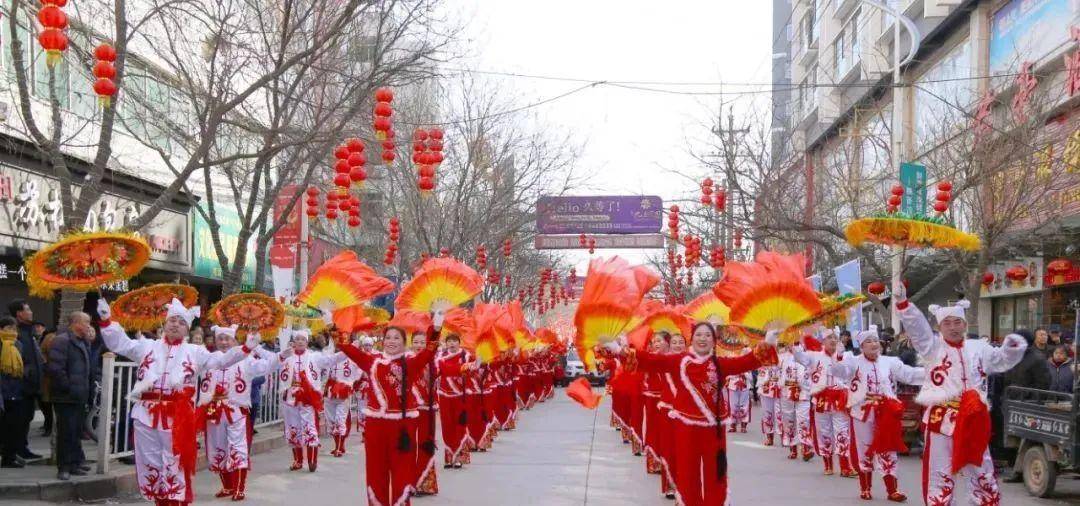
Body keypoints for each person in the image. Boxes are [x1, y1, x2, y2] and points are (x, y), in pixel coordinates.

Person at [96, 298, 259, 505]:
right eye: (172, 320)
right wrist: (106, 320)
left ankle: (175, 501)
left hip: (178, 418)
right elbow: (120, 344)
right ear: (165, 323)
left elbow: (221, 360)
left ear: (187, 330)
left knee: (174, 462)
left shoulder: (196, 352)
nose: (175, 324)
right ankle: (160, 501)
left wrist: (245, 349)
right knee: (150, 463)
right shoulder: (147, 346)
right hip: (145, 414)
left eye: (181, 323)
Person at [895, 286, 1027, 506]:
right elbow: (918, 329)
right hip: (942, 420)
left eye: (957, 323)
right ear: (939, 327)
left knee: (981, 468)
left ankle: (984, 501)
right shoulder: (932, 347)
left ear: (965, 325)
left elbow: (1001, 360)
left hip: (973, 419)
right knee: (940, 473)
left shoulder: (979, 348)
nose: (953, 328)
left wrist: (1012, 347)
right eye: (947, 323)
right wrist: (904, 305)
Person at [632, 322, 779, 506]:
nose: (703, 339)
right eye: (699, 335)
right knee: (687, 471)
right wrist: (617, 349)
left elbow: (746, 362)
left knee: (716, 472)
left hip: (714, 429)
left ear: (714, 341)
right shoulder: (678, 361)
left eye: (708, 335)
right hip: (685, 427)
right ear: (692, 339)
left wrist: (769, 341)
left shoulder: (720, 363)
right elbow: (650, 360)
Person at [335, 321, 441, 506]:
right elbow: (347, 348)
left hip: (402, 425)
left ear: (404, 342)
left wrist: (437, 325)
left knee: (402, 471)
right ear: (382, 341)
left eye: (396, 338)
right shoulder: (372, 361)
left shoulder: (411, 363)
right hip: (376, 425)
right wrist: (331, 323)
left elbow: (429, 351)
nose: (391, 341)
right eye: (388, 338)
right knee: (376, 470)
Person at [830, 326, 924, 501]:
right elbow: (838, 371)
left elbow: (909, 375)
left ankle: (892, 490)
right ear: (862, 346)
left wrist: (932, 371)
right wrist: (838, 356)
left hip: (886, 412)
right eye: (869, 341)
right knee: (864, 448)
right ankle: (865, 487)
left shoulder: (891, 362)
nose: (873, 344)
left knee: (888, 447)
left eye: (875, 340)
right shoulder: (853, 361)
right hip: (862, 411)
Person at [197, 325, 273, 501]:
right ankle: (227, 486)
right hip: (212, 410)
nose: (224, 342)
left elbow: (265, 366)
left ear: (234, 340)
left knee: (237, 447)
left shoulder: (245, 358)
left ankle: (239, 488)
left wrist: (279, 356)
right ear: (215, 341)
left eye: (227, 339)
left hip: (235, 410)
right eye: (220, 339)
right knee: (218, 448)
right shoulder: (209, 359)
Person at [267, 328, 344, 472]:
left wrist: (348, 352)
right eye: (298, 339)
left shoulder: (314, 356)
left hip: (308, 397)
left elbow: (331, 359)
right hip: (290, 397)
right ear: (293, 342)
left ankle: (312, 460)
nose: (300, 342)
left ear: (307, 342)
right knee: (293, 428)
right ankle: (298, 460)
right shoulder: (286, 356)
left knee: (310, 428)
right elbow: (269, 361)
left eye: (303, 339)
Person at [793, 331, 855, 477]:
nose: (833, 340)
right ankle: (828, 465)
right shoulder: (814, 356)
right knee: (824, 433)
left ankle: (845, 467)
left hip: (840, 400)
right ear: (823, 341)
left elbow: (850, 373)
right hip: (821, 400)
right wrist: (794, 340)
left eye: (835, 338)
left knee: (842, 432)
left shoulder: (847, 356)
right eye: (829, 338)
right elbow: (798, 356)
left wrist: (839, 358)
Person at [46, 312, 97, 480]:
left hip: (79, 394)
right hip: (66, 396)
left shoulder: (83, 342)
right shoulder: (62, 341)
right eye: (87, 322)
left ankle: (75, 463)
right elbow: (55, 369)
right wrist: (68, 387)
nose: (89, 325)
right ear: (76, 323)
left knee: (75, 431)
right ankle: (64, 466)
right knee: (66, 432)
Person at [8, 300, 44, 462]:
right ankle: (11, 452)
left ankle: (22, 448)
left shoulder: (29, 331)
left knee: (27, 417)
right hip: (19, 384)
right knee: (17, 420)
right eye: (27, 309)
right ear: (19, 313)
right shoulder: (14, 332)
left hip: (31, 383)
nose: (30, 311)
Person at [408, 330, 439, 496]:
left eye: (422, 342)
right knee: (410, 446)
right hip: (410, 410)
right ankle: (410, 482)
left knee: (425, 445)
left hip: (427, 410)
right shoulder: (406, 360)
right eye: (416, 342)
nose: (419, 345)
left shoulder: (434, 362)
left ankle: (424, 483)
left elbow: (452, 371)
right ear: (411, 343)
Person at [436, 332, 470, 469]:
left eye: (454, 341)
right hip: (444, 396)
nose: (452, 343)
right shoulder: (440, 357)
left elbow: (468, 372)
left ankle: (459, 457)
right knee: (447, 426)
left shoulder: (465, 356)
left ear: (459, 342)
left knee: (459, 426)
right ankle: (449, 457)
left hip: (459, 396)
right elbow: (437, 372)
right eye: (449, 341)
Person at [324, 334, 358, 458]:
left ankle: (339, 447)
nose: (339, 344)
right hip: (329, 391)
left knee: (340, 419)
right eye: (337, 341)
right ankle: (337, 445)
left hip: (344, 391)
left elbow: (358, 373)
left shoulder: (352, 357)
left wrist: (351, 384)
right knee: (331, 420)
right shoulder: (329, 355)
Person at [1, 316, 29, 468]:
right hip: (3, 392)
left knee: (13, 428)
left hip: (16, 391)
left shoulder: (18, 344)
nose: (12, 331)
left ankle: (9, 458)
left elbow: (24, 363)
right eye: (8, 328)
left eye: (14, 328)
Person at [779, 341, 813, 461]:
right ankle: (792, 447)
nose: (792, 345)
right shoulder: (782, 357)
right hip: (787, 392)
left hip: (803, 392)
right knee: (789, 419)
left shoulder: (807, 356)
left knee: (803, 419)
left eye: (796, 343)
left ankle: (806, 447)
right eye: (791, 343)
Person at [757, 351, 782, 447]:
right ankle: (769, 437)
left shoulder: (784, 356)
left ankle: (784, 437)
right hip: (766, 389)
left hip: (780, 389)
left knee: (780, 414)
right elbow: (761, 374)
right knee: (767, 413)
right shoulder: (764, 358)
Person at [723, 361, 752, 433]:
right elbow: (727, 375)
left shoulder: (748, 363)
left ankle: (743, 426)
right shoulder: (731, 361)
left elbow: (751, 377)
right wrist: (735, 373)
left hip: (745, 387)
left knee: (744, 406)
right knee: (733, 406)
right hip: (733, 386)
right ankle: (733, 425)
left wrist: (744, 373)